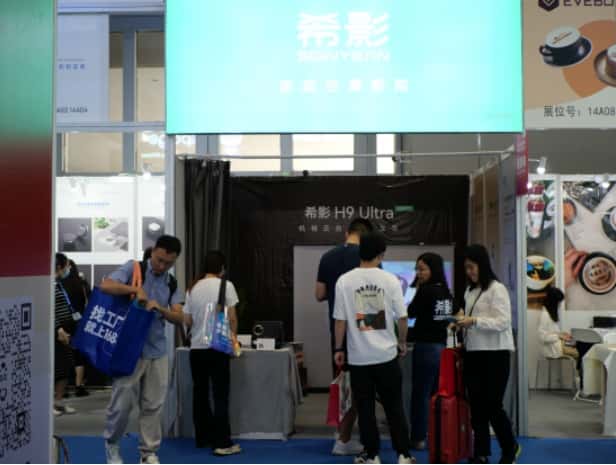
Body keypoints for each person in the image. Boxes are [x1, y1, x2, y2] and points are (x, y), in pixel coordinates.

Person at [100, 235, 185, 465]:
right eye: (159, 260)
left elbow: (181, 318)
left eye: (168, 263)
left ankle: (148, 452)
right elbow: (105, 285)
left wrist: (162, 310)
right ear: (153, 251)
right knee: (121, 404)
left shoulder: (171, 282)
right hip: (128, 349)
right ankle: (112, 444)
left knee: (153, 405)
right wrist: (134, 290)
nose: (162, 266)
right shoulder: (133, 268)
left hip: (157, 350)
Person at [333, 232, 415, 465]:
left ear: (360, 252)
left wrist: (338, 348)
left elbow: (340, 320)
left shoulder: (344, 281)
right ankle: (403, 455)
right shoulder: (390, 280)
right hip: (387, 355)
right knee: (394, 407)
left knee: (365, 409)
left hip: (359, 358)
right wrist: (401, 342)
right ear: (381, 254)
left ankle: (372, 455)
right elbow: (402, 317)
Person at [456, 244, 520, 464]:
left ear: (482, 265)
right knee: (476, 407)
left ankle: (510, 448)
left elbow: (503, 322)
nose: (469, 272)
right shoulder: (470, 291)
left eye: (472, 267)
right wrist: (460, 321)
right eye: (466, 268)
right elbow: (470, 319)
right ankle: (481, 453)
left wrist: (474, 321)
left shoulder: (496, 289)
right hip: (473, 353)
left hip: (496, 354)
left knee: (493, 406)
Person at [316, 218, 374, 456]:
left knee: (341, 384)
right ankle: (344, 438)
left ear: (347, 232)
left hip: (337, 330)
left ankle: (340, 432)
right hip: (364, 332)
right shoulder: (369, 258)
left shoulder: (328, 257)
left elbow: (319, 294)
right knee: (361, 388)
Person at [183, 251, 241, 456]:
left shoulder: (193, 287)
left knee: (200, 394)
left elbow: (187, 320)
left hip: (196, 348)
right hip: (218, 347)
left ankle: (203, 437)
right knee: (220, 395)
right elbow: (232, 318)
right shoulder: (226, 285)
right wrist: (234, 341)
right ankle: (222, 442)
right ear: (222, 268)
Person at [407, 253, 453, 451]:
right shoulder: (445, 291)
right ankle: (436, 435)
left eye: (422, 269)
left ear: (433, 269)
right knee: (434, 394)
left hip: (425, 347)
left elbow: (411, 312)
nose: (419, 273)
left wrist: (418, 290)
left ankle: (418, 437)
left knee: (421, 394)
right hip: (441, 348)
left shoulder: (426, 291)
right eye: (417, 269)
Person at [62, 260, 92, 397]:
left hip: (64, 322)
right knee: (79, 355)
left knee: (65, 354)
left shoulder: (59, 283)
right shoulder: (82, 283)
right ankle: (79, 386)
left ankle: (64, 388)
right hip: (80, 322)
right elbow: (90, 301)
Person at [54, 253, 77, 416]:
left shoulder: (58, 284)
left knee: (66, 368)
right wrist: (58, 329)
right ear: (59, 267)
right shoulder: (48, 284)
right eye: (67, 266)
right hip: (57, 333)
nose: (69, 269)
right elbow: (48, 309)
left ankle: (58, 402)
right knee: (57, 369)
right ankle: (50, 404)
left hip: (67, 330)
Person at [538, 286, 579, 360]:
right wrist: (559, 336)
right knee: (579, 352)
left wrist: (562, 334)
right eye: (558, 303)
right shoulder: (545, 315)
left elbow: (552, 332)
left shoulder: (550, 314)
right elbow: (542, 337)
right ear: (553, 302)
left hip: (556, 347)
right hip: (552, 350)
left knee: (578, 348)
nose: (559, 305)